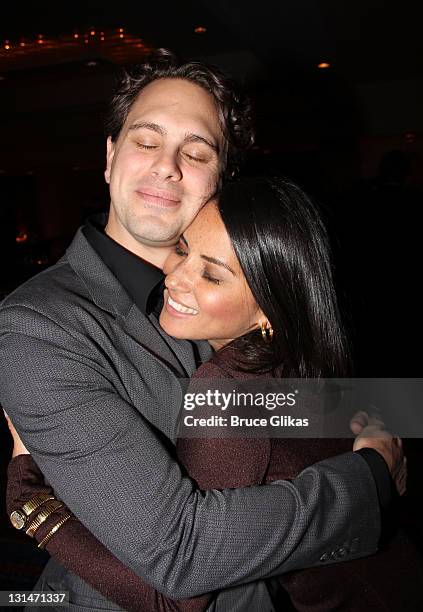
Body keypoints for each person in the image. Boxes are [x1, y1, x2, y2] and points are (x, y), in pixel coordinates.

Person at [0, 51, 402, 610]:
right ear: (111, 157)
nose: (168, 165)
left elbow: (290, 407)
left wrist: (386, 416)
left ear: (221, 181)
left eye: (196, 151)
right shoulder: (39, 325)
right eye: (146, 140)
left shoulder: (236, 293)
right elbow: (179, 551)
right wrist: (368, 482)